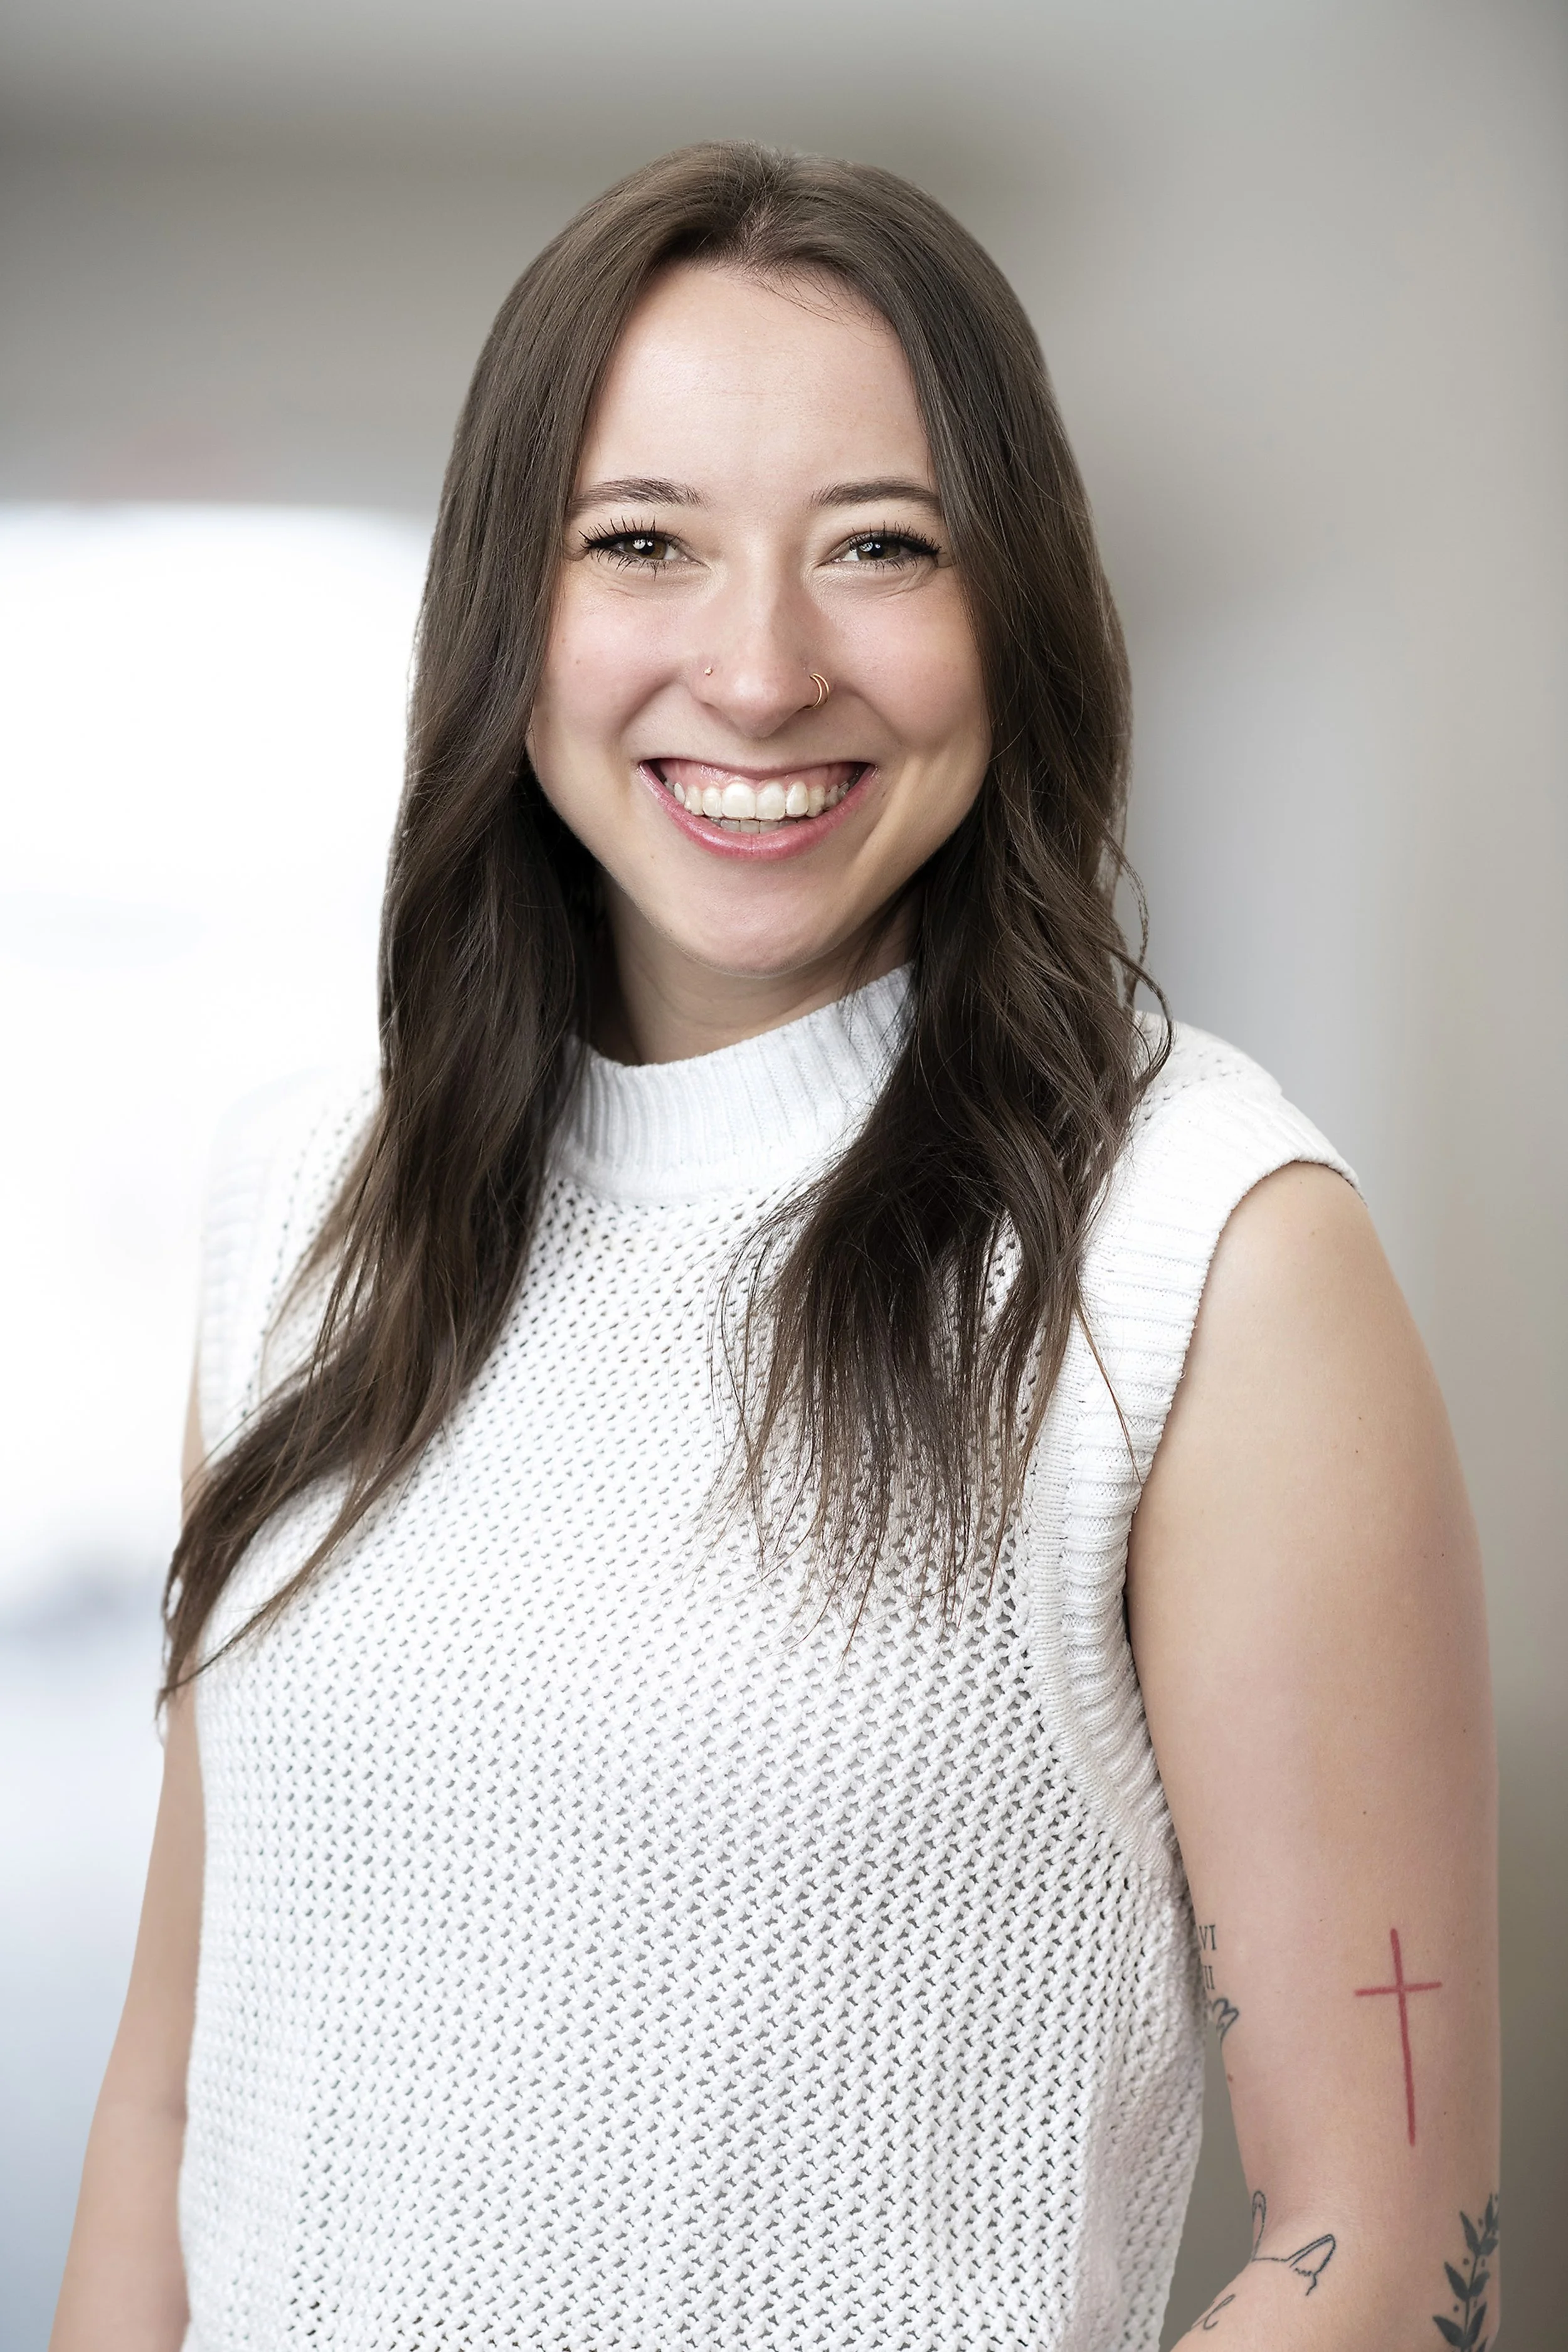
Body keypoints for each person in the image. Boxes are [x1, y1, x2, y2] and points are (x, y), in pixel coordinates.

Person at [50, 144, 1498, 2352]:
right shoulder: (302, 1212)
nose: (756, 667)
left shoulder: (1202, 1256)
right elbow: (171, 2102)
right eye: (641, 542)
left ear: (1012, 613)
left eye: (879, 550)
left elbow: (1381, 2245)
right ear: (502, 617)